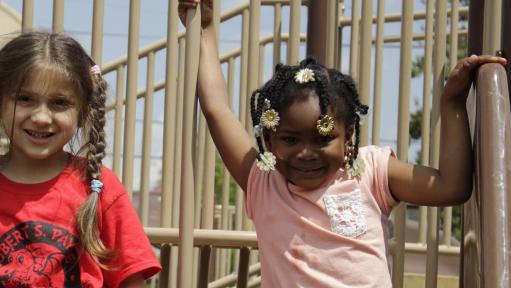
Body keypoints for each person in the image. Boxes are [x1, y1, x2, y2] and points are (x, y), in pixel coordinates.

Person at [179, 1, 507, 286]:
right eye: (290, 139)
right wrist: (205, 32)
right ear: (269, 138)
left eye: (323, 138)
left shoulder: (370, 173)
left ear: (348, 136)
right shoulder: (264, 184)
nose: (305, 152)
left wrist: (452, 104)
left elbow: (450, 186)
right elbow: (217, 109)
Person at [0, 32, 161, 288]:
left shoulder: (99, 188)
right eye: (25, 99)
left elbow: (132, 281)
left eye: (59, 102)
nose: (42, 117)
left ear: (84, 111)